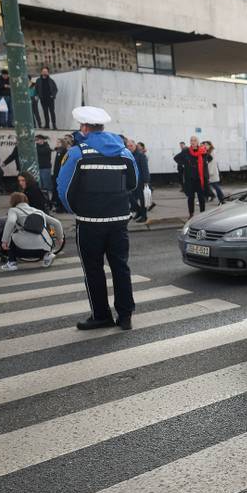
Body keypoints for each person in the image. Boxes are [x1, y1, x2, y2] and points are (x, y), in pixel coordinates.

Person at [57, 106, 138, 331]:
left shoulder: (77, 153)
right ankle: (125, 316)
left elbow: (63, 190)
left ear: (84, 128)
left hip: (89, 223)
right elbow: (133, 183)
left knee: (93, 270)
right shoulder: (124, 152)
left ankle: (101, 315)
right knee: (120, 267)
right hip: (119, 221)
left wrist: (79, 210)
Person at [0, 192, 63, 271]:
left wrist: (4, 241)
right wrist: (60, 238)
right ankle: (47, 255)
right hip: (42, 249)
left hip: (23, 250)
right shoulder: (38, 211)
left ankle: (12, 263)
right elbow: (57, 223)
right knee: (47, 233)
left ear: (12, 201)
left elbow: (11, 222)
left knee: (10, 233)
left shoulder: (13, 210)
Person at [174, 136, 210, 218]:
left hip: (200, 179)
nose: (193, 142)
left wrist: (203, 166)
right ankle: (191, 214)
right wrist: (186, 164)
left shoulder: (202, 151)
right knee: (191, 198)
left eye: (194, 140)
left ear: (198, 142)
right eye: (191, 140)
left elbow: (209, 159)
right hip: (190, 179)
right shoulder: (186, 151)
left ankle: (202, 214)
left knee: (201, 197)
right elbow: (176, 158)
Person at [35, 135, 53, 203]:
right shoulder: (37, 147)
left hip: (45, 168)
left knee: (46, 185)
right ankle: (42, 199)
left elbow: (42, 152)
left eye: (38, 139)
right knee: (40, 185)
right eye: (37, 140)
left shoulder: (46, 147)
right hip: (39, 168)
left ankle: (48, 199)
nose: (37, 141)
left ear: (42, 140)